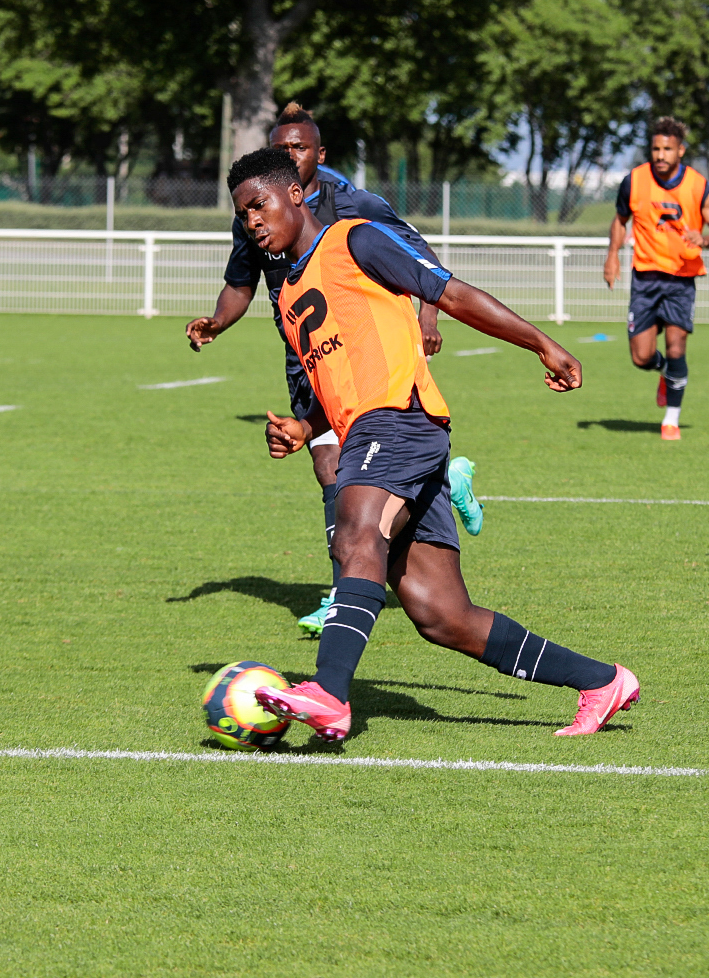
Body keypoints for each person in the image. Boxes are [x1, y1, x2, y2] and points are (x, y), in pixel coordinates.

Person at [219, 147, 639, 741]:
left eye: (258, 204)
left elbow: (451, 293)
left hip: (400, 420)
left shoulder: (356, 240)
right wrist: (303, 427)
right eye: (242, 214)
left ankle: (329, 693)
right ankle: (604, 681)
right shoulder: (287, 295)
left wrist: (542, 343)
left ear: (295, 194)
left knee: (355, 532)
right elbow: (333, 379)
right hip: (374, 429)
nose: (252, 221)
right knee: (442, 615)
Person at [186, 103, 484, 639]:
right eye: (281, 149)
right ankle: (440, 481)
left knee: (340, 476)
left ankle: (339, 598)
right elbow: (241, 283)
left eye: (298, 148)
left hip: (364, 353)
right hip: (307, 355)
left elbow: (419, 255)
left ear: (319, 158)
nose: (288, 156)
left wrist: (428, 312)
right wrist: (217, 322)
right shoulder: (255, 211)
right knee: (329, 470)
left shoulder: (355, 205)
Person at [602, 117, 709, 439]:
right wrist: (612, 255)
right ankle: (664, 373)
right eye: (656, 149)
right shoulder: (634, 181)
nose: (660, 155)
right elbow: (620, 220)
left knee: (676, 348)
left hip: (681, 279)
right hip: (644, 278)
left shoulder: (699, 186)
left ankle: (671, 418)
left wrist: (706, 239)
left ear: (680, 151)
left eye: (667, 149)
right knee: (641, 357)